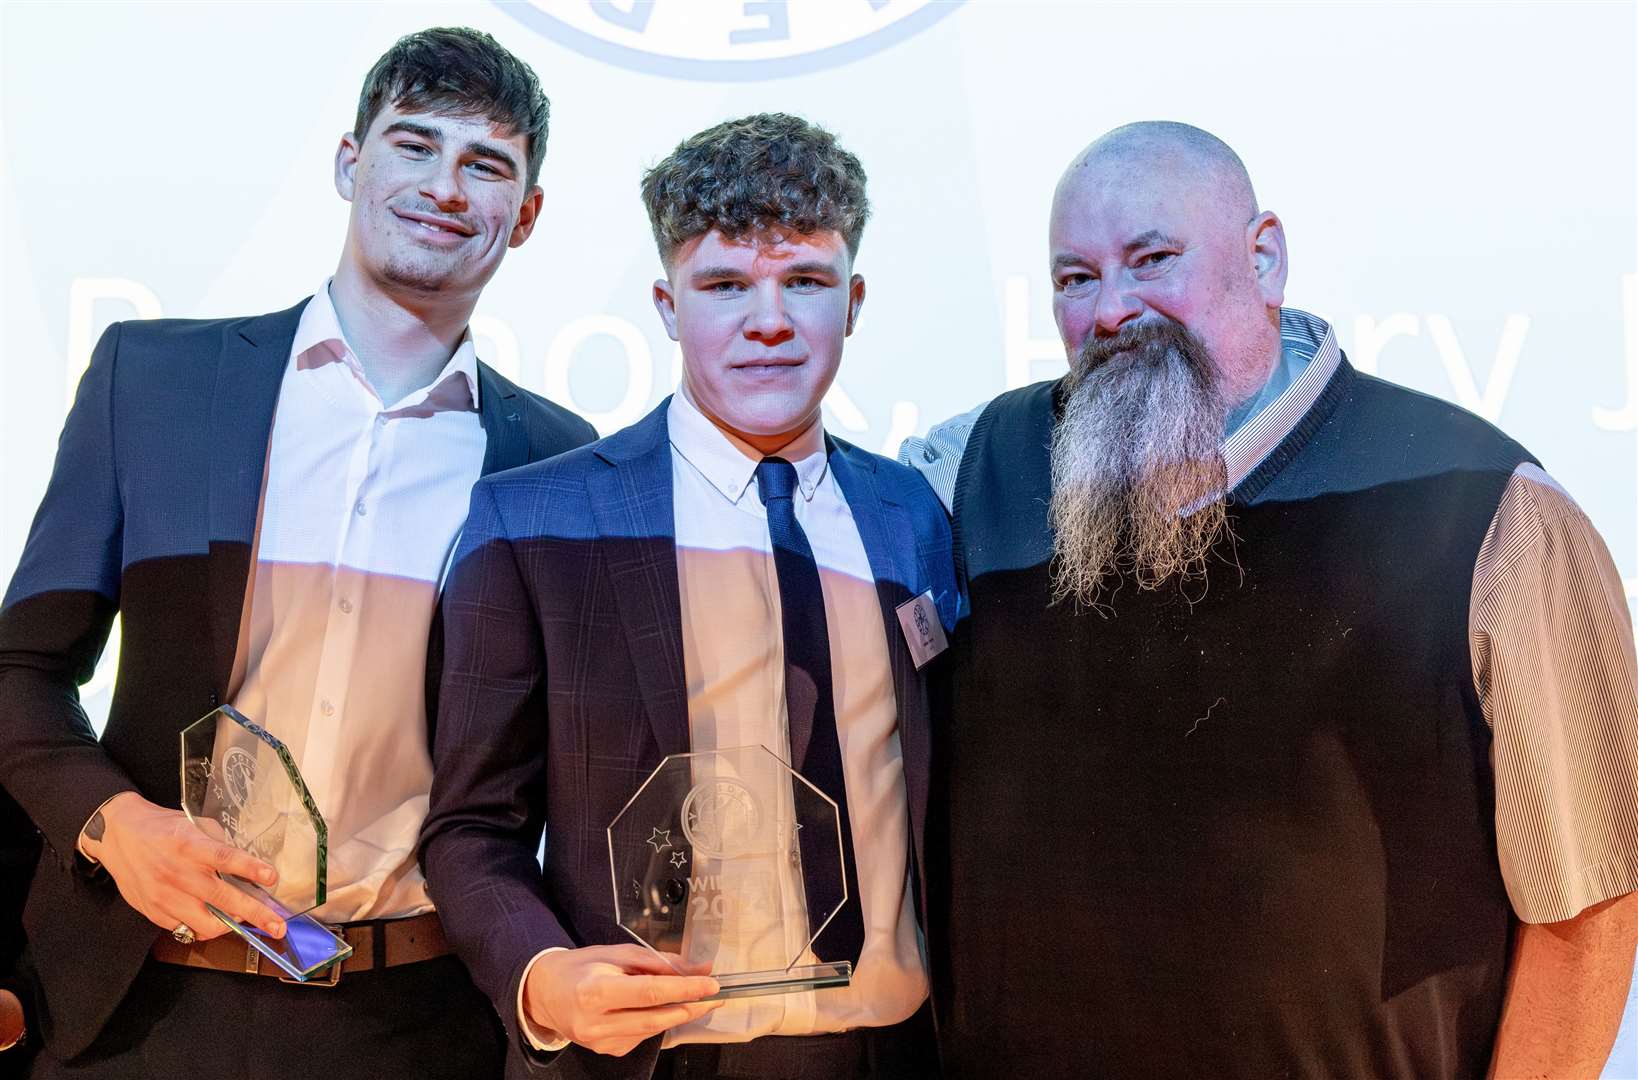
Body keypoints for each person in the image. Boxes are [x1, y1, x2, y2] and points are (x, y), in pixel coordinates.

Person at [902, 121, 1638, 1079]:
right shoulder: (969, 479)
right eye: (1075, 278)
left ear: (1265, 256)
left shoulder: (1485, 505)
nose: (1113, 308)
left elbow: (1590, 905)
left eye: (1152, 259)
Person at [0, 27, 595, 1079]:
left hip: (417, 1026)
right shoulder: (156, 380)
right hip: (136, 1007)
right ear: (347, 162)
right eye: (413, 145)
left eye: (486, 165)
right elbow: (22, 672)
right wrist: (108, 821)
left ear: (528, 214)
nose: (444, 187)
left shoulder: (555, 462)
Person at [421, 112, 953, 1079]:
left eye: (805, 282)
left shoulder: (909, 512)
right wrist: (540, 977)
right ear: (668, 305)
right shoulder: (532, 519)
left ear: (855, 298)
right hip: (652, 1057)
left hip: (896, 1052)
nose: (769, 320)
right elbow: (469, 830)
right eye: (725, 286)